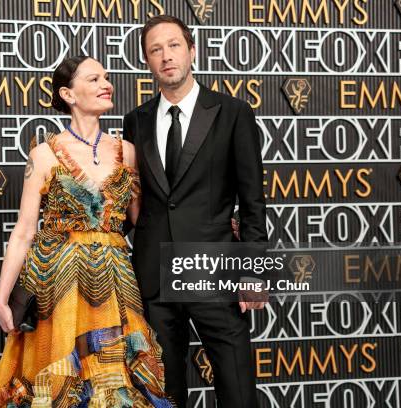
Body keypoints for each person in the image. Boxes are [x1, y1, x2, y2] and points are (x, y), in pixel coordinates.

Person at [0, 56, 174, 407]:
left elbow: (143, 220)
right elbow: (25, 231)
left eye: (106, 77)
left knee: (115, 383)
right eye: (93, 79)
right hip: (57, 284)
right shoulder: (44, 154)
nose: (106, 84)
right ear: (68, 94)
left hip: (116, 284)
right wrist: (2, 297)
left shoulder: (127, 152)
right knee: (61, 384)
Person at [122, 15, 268, 408]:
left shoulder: (233, 112)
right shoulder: (134, 121)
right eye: (155, 50)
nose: (166, 56)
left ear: (192, 51)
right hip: (153, 279)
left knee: (237, 391)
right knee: (162, 397)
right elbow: (134, 200)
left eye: (173, 46)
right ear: (147, 62)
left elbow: (253, 201)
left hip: (216, 274)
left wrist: (254, 271)